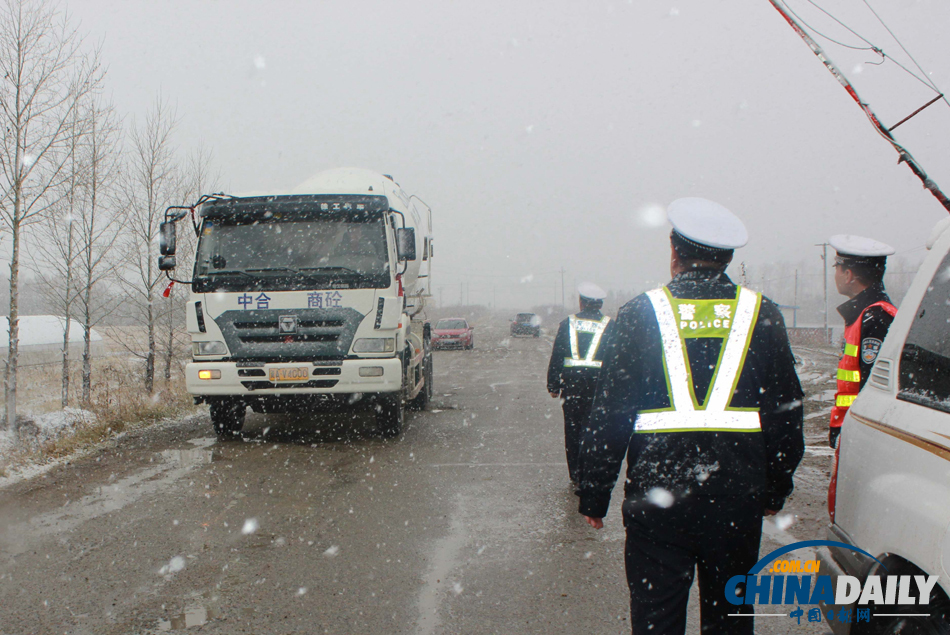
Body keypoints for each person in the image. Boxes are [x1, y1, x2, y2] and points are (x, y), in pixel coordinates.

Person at [575, 197, 805, 635]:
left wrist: (595, 491)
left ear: (674, 250)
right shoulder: (762, 314)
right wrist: (775, 488)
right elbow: (786, 414)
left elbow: (610, 412)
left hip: (658, 495)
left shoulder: (640, 313)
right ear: (728, 259)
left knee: (656, 616)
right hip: (736, 498)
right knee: (731, 618)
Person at [827, 234, 897, 449]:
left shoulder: (876, 318)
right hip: (853, 425)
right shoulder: (865, 315)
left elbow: (872, 387)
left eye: (836, 268)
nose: (835, 275)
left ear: (848, 275)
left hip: (861, 430)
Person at [547, 282, 615, 488]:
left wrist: (553, 384)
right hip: (599, 388)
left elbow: (557, 354)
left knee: (573, 429)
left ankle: (576, 473)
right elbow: (616, 359)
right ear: (600, 304)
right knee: (594, 430)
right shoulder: (610, 325)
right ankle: (591, 470)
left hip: (573, 387)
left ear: (581, 302)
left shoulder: (567, 324)